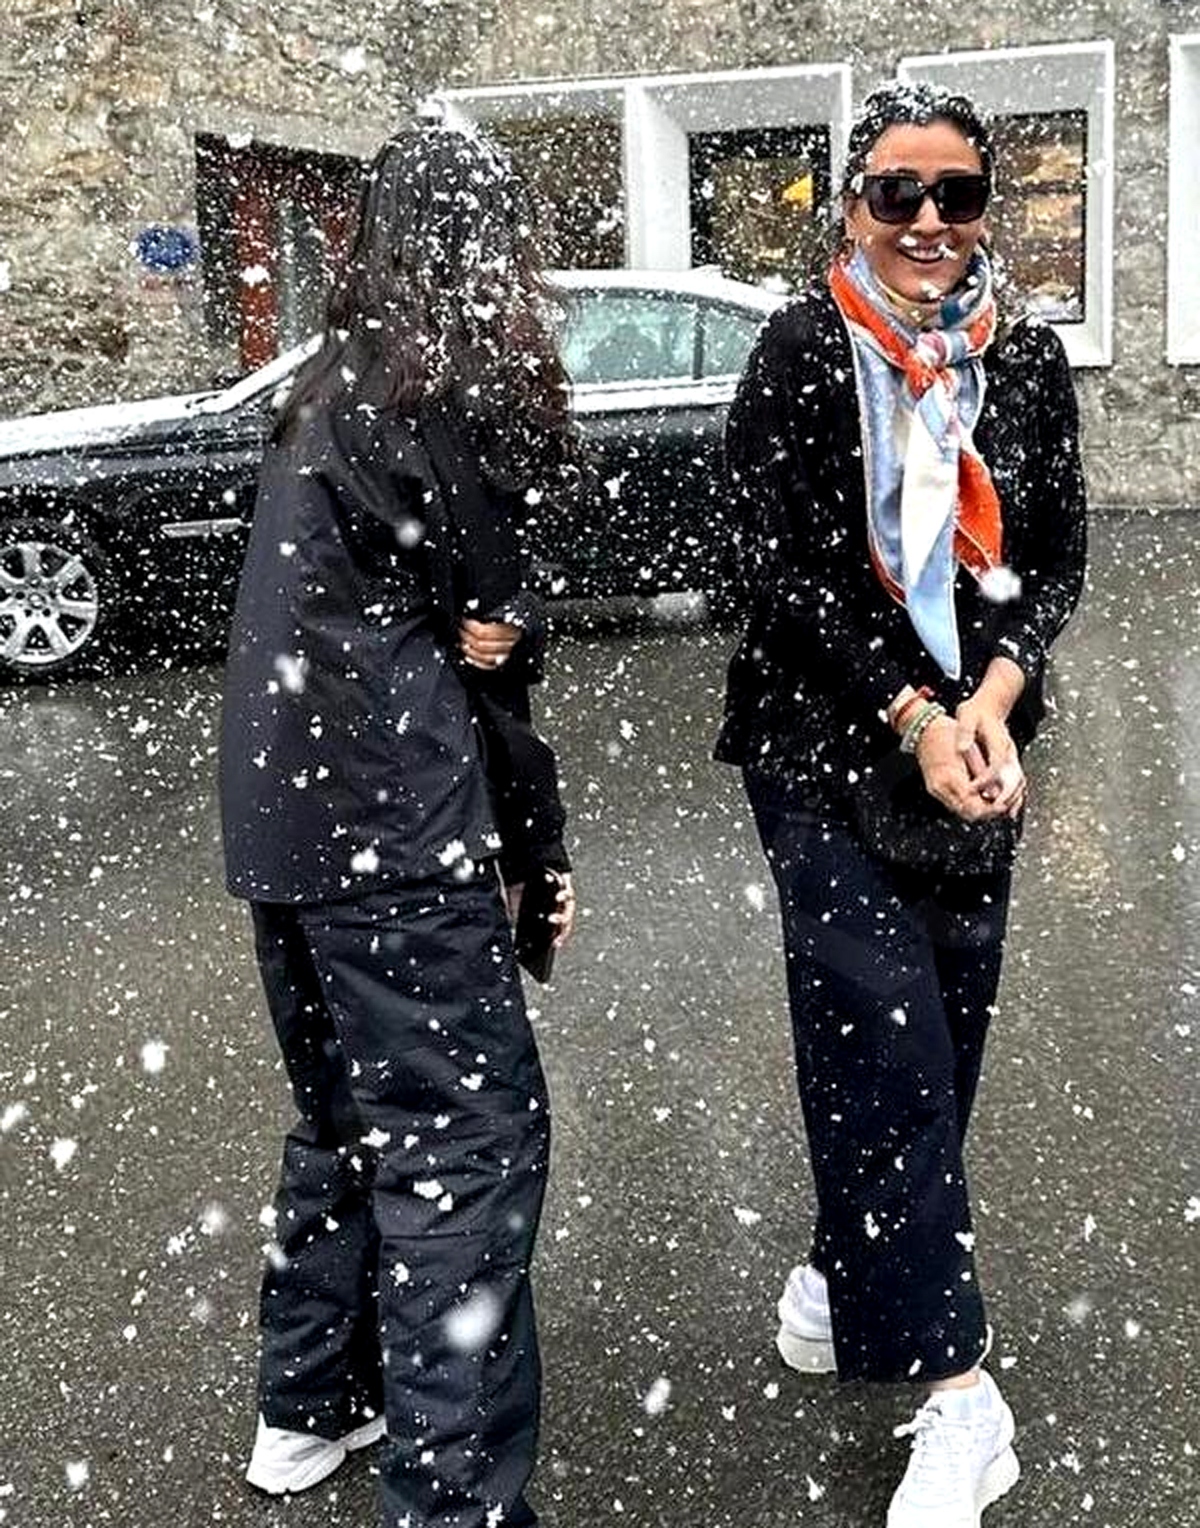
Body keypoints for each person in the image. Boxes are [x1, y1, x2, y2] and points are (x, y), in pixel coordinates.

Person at [715, 82, 1086, 1525]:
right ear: (850, 201)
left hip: (969, 752)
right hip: (827, 751)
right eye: (895, 193)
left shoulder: (1026, 360)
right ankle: (956, 1388)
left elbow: (1048, 559)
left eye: (956, 194)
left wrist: (991, 701)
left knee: (938, 1033)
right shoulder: (804, 352)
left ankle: (843, 1262)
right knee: (877, 1028)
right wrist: (912, 711)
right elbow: (776, 571)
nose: (929, 223)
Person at [218, 124, 577, 1528]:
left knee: (347, 1122)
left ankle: (309, 1405)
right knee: (465, 1156)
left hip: (290, 828)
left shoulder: (330, 386)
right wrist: (536, 856)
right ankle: (458, 1506)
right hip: (398, 831)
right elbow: (495, 645)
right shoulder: (437, 401)